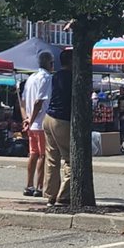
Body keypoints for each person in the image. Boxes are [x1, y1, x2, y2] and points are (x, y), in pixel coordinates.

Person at [42, 48, 73, 207]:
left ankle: (50, 195)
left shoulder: (56, 76)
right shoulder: (73, 77)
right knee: (70, 159)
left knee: (52, 158)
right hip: (62, 119)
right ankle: (64, 195)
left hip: (48, 117)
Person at [19, 53, 53, 197]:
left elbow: (23, 101)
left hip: (31, 122)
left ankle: (28, 184)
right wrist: (31, 120)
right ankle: (39, 187)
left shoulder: (31, 78)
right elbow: (39, 102)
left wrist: (26, 119)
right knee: (42, 155)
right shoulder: (46, 78)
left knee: (33, 154)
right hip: (40, 121)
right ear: (49, 63)